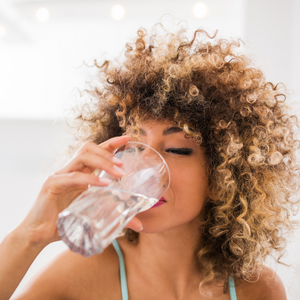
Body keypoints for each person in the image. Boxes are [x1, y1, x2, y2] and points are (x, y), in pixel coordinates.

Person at [0, 22, 299, 300]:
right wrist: (30, 236)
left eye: (176, 150)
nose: (144, 166)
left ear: (222, 179)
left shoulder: (257, 289)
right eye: (134, 145)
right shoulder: (83, 275)